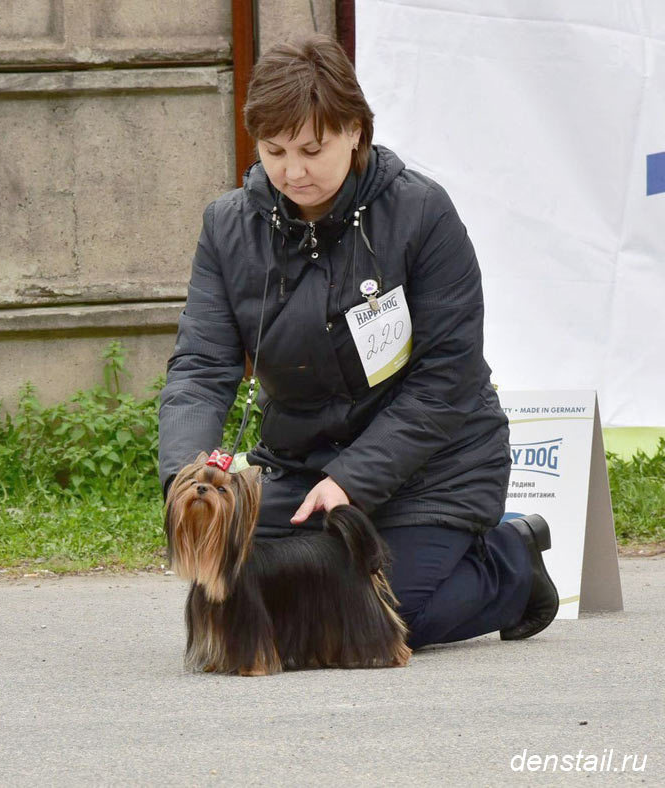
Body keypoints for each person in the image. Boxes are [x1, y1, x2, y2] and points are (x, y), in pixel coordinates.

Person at [158, 34, 558, 649]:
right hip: (300, 470)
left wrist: (352, 479)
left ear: (355, 131)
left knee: (387, 619)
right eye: (275, 151)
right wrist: (190, 477)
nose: (293, 171)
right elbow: (201, 367)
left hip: (436, 468)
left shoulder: (423, 214)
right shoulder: (226, 226)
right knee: (237, 587)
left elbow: (445, 379)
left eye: (313, 149)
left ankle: (511, 562)